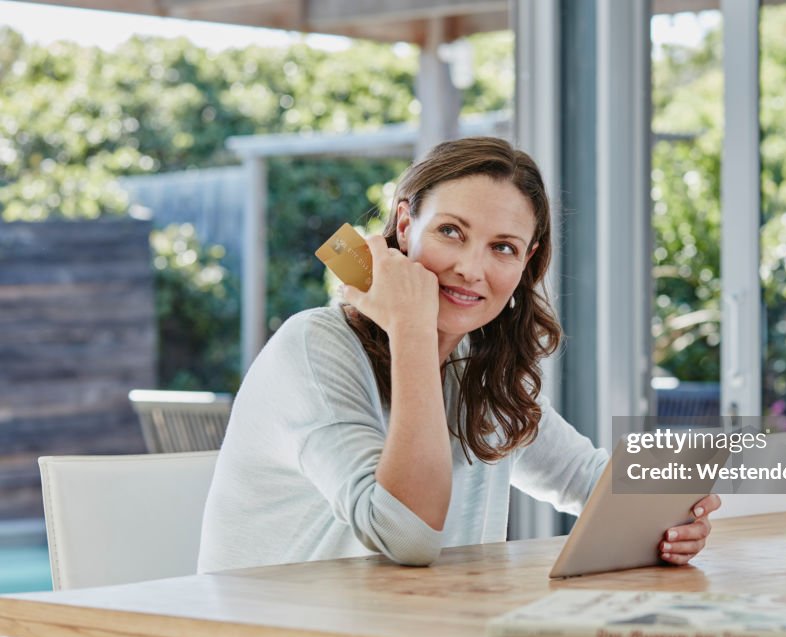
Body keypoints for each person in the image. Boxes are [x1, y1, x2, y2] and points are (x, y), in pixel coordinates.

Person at [197, 137, 720, 573]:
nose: (472, 268)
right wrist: (411, 329)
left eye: (503, 247)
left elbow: (585, 478)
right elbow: (406, 536)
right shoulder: (312, 349)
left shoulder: (475, 366)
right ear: (405, 226)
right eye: (451, 231)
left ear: (527, 261)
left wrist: (672, 515)